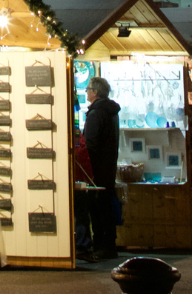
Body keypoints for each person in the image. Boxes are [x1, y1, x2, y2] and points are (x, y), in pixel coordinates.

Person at [79, 76, 120, 261]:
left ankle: (101, 246)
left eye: (88, 89)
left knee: (98, 208)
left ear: (95, 92)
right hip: (108, 167)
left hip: (96, 169)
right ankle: (108, 245)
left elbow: (91, 144)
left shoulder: (96, 113)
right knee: (105, 207)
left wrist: (87, 166)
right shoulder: (111, 112)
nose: (86, 92)